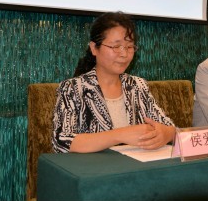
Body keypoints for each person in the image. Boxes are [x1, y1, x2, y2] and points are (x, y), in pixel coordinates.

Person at [52, 12, 175, 153]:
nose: (124, 54)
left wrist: (166, 134)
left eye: (129, 47)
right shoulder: (73, 88)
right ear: (94, 48)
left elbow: (169, 127)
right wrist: (120, 135)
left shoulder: (137, 85)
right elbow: (62, 141)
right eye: (116, 47)